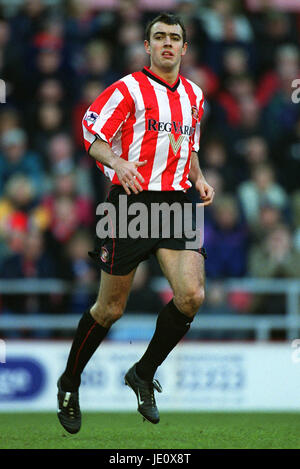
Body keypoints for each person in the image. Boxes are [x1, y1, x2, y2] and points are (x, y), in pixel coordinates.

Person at [57, 12, 214, 434]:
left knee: (192, 296)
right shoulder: (127, 89)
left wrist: (198, 177)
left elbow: (189, 147)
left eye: (174, 38)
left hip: (177, 204)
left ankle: (142, 372)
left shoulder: (195, 96)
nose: (167, 43)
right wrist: (117, 160)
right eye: (159, 36)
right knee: (110, 309)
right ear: (147, 46)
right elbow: (92, 135)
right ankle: (70, 383)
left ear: (184, 47)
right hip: (130, 206)